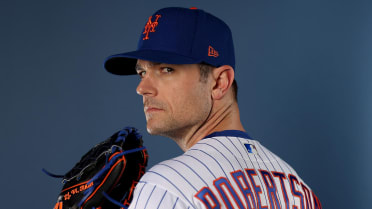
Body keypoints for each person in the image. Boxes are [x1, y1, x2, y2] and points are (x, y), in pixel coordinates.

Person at [104, 7, 322, 209]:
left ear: (220, 82)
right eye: (142, 72)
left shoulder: (166, 185)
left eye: (166, 69)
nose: (142, 88)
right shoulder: (303, 193)